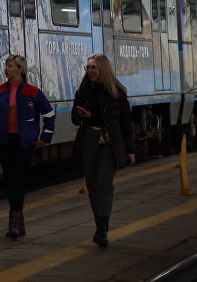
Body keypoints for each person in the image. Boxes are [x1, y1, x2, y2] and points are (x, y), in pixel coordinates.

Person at [0, 54, 54, 239]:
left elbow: (49, 114)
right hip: (4, 141)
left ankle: (13, 223)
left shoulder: (33, 92)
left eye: (10, 66)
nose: (6, 69)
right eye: (6, 66)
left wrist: (45, 138)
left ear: (21, 69)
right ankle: (19, 218)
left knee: (17, 179)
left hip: (24, 142)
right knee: (10, 180)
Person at [73, 53, 137, 248]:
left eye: (93, 67)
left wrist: (131, 149)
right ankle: (99, 225)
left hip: (110, 140)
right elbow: (74, 120)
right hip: (89, 139)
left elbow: (127, 122)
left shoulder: (116, 91)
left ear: (103, 69)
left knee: (104, 183)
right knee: (92, 184)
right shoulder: (83, 91)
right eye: (88, 68)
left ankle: (103, 228)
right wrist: (82, 115)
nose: (90, 71)